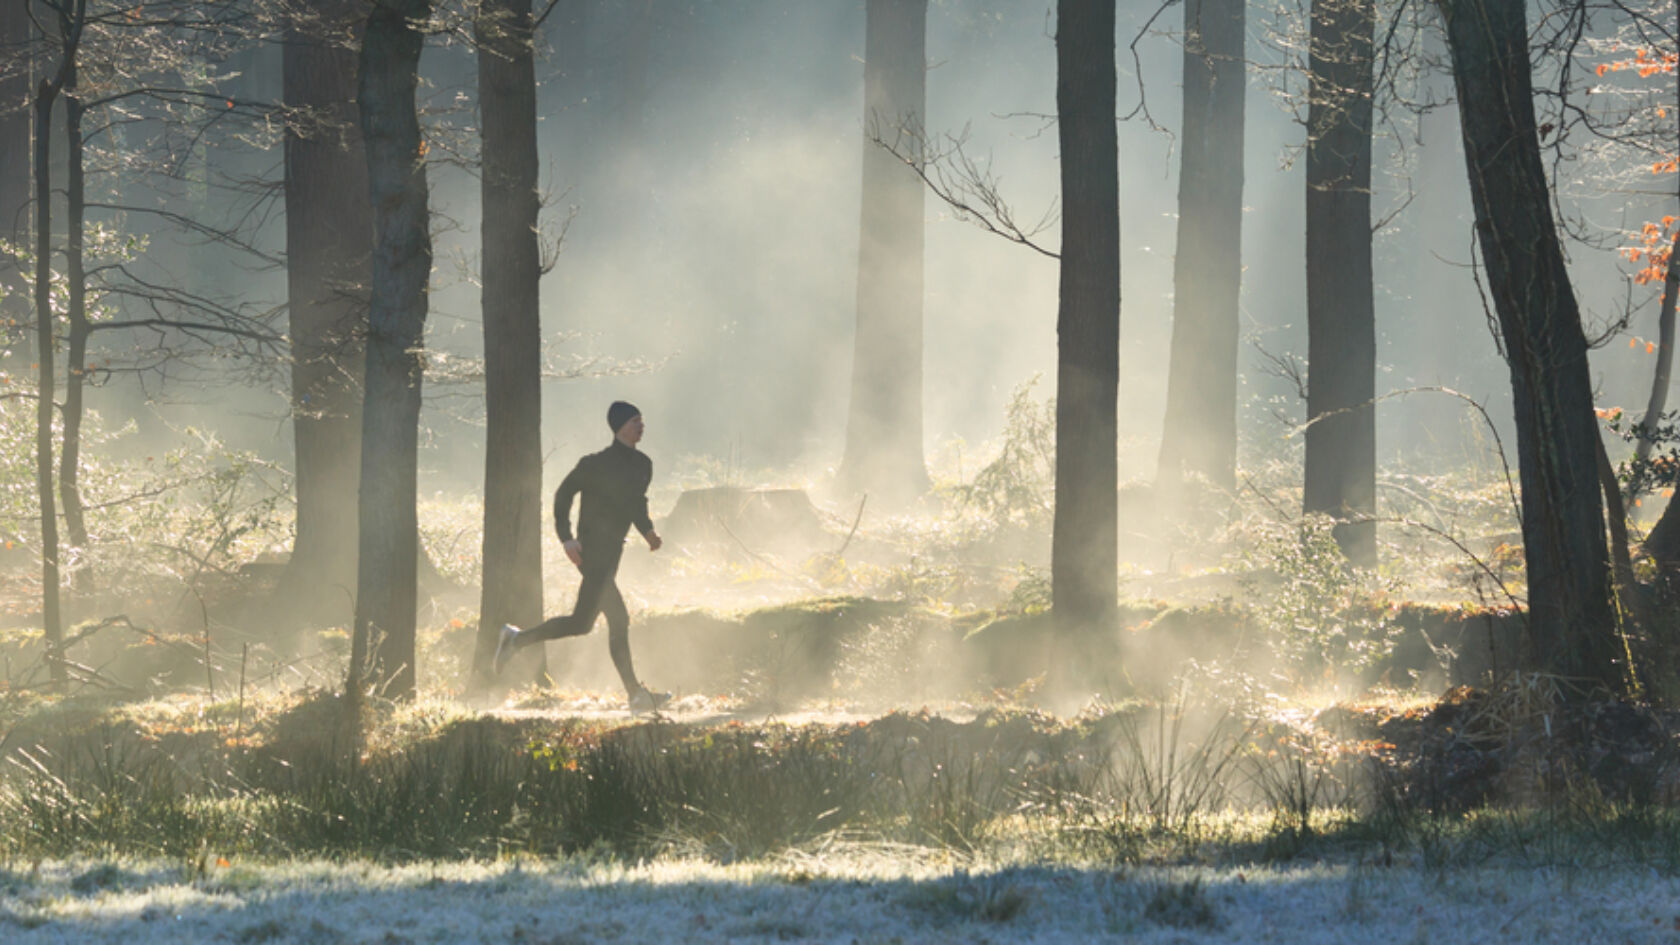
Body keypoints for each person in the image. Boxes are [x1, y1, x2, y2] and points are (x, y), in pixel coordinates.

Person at [493, 400, 670, 713]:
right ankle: (636, 695)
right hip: (591, 551)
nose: (641, 426)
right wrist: (567, 538)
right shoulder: (594, 464)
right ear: (619, 427)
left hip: (613, 551)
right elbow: (563, 495)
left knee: (582, 623)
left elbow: (635, 504)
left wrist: (648, 532)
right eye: (634, 422)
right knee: (618, 618)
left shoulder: (644, 465)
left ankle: (516, 640)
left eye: (641, 421)